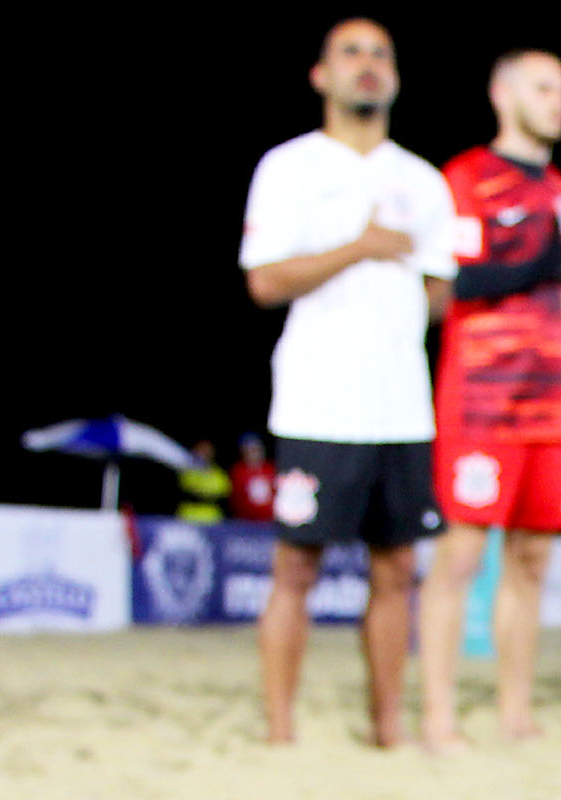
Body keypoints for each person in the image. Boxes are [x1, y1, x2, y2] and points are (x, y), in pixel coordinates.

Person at [239, 18, 456, 746]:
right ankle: (280, 731)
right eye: (351, 53)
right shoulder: (289, 167)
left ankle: (387, 728)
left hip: (401, 408)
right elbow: (266, 279)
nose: (367, 66)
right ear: (321, 75)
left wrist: (400, 292)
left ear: (394, 76)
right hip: (316, 400)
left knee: (397, 570)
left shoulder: (423, 181)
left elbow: (437, 295)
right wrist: (358, 248)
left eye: (380, 55)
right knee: (295, 566)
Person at [418, 49, 561, 751]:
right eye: (543, 88)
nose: (558, 102)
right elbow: (454, 283)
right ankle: (438, 716)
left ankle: (515, 712)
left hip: (552, 407)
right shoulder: (463, 177)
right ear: (502, 93)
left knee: (532, 562)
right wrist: (532, 262)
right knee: (459, 558)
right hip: (481, 399)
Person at [176, 441, 231, 522]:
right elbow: (189, 486)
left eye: (207, 451)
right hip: (188, 517)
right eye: (200, 450)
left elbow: (221, 491)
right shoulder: (186, 471)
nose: (203, 454)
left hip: (212, 519)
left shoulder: (220, 474)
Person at [229, 434, 276, 521]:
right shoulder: (238, 471)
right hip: (245, 522)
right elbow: (235, 498)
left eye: (257, 449)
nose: (254, 453)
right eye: (250, 450)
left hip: (268, 522)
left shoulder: (270, 470)